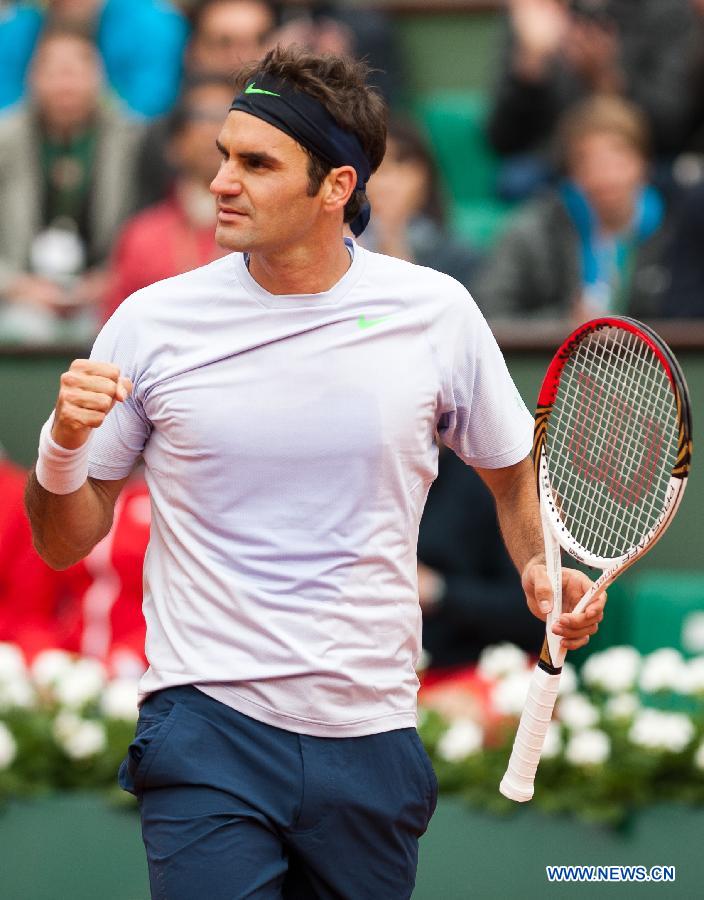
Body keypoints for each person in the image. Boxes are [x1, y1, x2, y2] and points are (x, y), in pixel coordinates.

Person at [25, 45, 605, 899]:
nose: (222, 180)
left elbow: (513, 472)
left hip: (370, 733)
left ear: (337, 187)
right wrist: (62, 447)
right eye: (224, 154)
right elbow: (63, 542)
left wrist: (536, 565)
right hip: (205, 726)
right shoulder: (150, 323)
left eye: (257, 163)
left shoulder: (436, 313)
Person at [478, 94, 704, 321]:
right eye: (589, 163)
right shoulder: (531, 233)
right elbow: (490, 316)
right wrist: (566, 324)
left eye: (618, 160)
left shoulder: (680, 230)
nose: (606, 176)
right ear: (571, 173)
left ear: (644, 165)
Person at [0, 25, 142, 345]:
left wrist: (111, 278)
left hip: (105, 289)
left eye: (77, 71)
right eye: (53, 72)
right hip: (18, 291)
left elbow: (147, 222)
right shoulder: (5, 139)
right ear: (31, 79)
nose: (66, 84)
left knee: (115, 334)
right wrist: (16, 285)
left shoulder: (132, 141)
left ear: (100, 78)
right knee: (24, 330)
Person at [486, 0, 696, 199]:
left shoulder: (664, 10)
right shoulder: (535, 11)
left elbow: (671, 128)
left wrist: (607, 80)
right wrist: (532, 61)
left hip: (646, 161)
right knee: (517, 179)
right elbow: (502, 140)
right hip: (552, 166)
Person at [104, 75, 233, 320]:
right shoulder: (141, 236)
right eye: (201, 117)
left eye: (225, 116)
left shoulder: (264, 237)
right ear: (174, 146)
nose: (213, 130)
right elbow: (116, 327)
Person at [135, 0, 276, 208]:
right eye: (224, 43)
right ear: (194, 50)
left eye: (257, 40)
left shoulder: (296, 127)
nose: (243, 56)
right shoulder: (164, 134)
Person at [0, 0, 189, 119]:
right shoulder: (19, 24)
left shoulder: (152, 24)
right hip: (29, 148)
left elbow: (150, 109)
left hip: (124, 154)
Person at [361, 118, 480, 291]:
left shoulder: (456, 255)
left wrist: (392, 238)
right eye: (370, 170)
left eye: (387, 169)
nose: (378, 183)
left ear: (423, 177)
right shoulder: (339, 247)